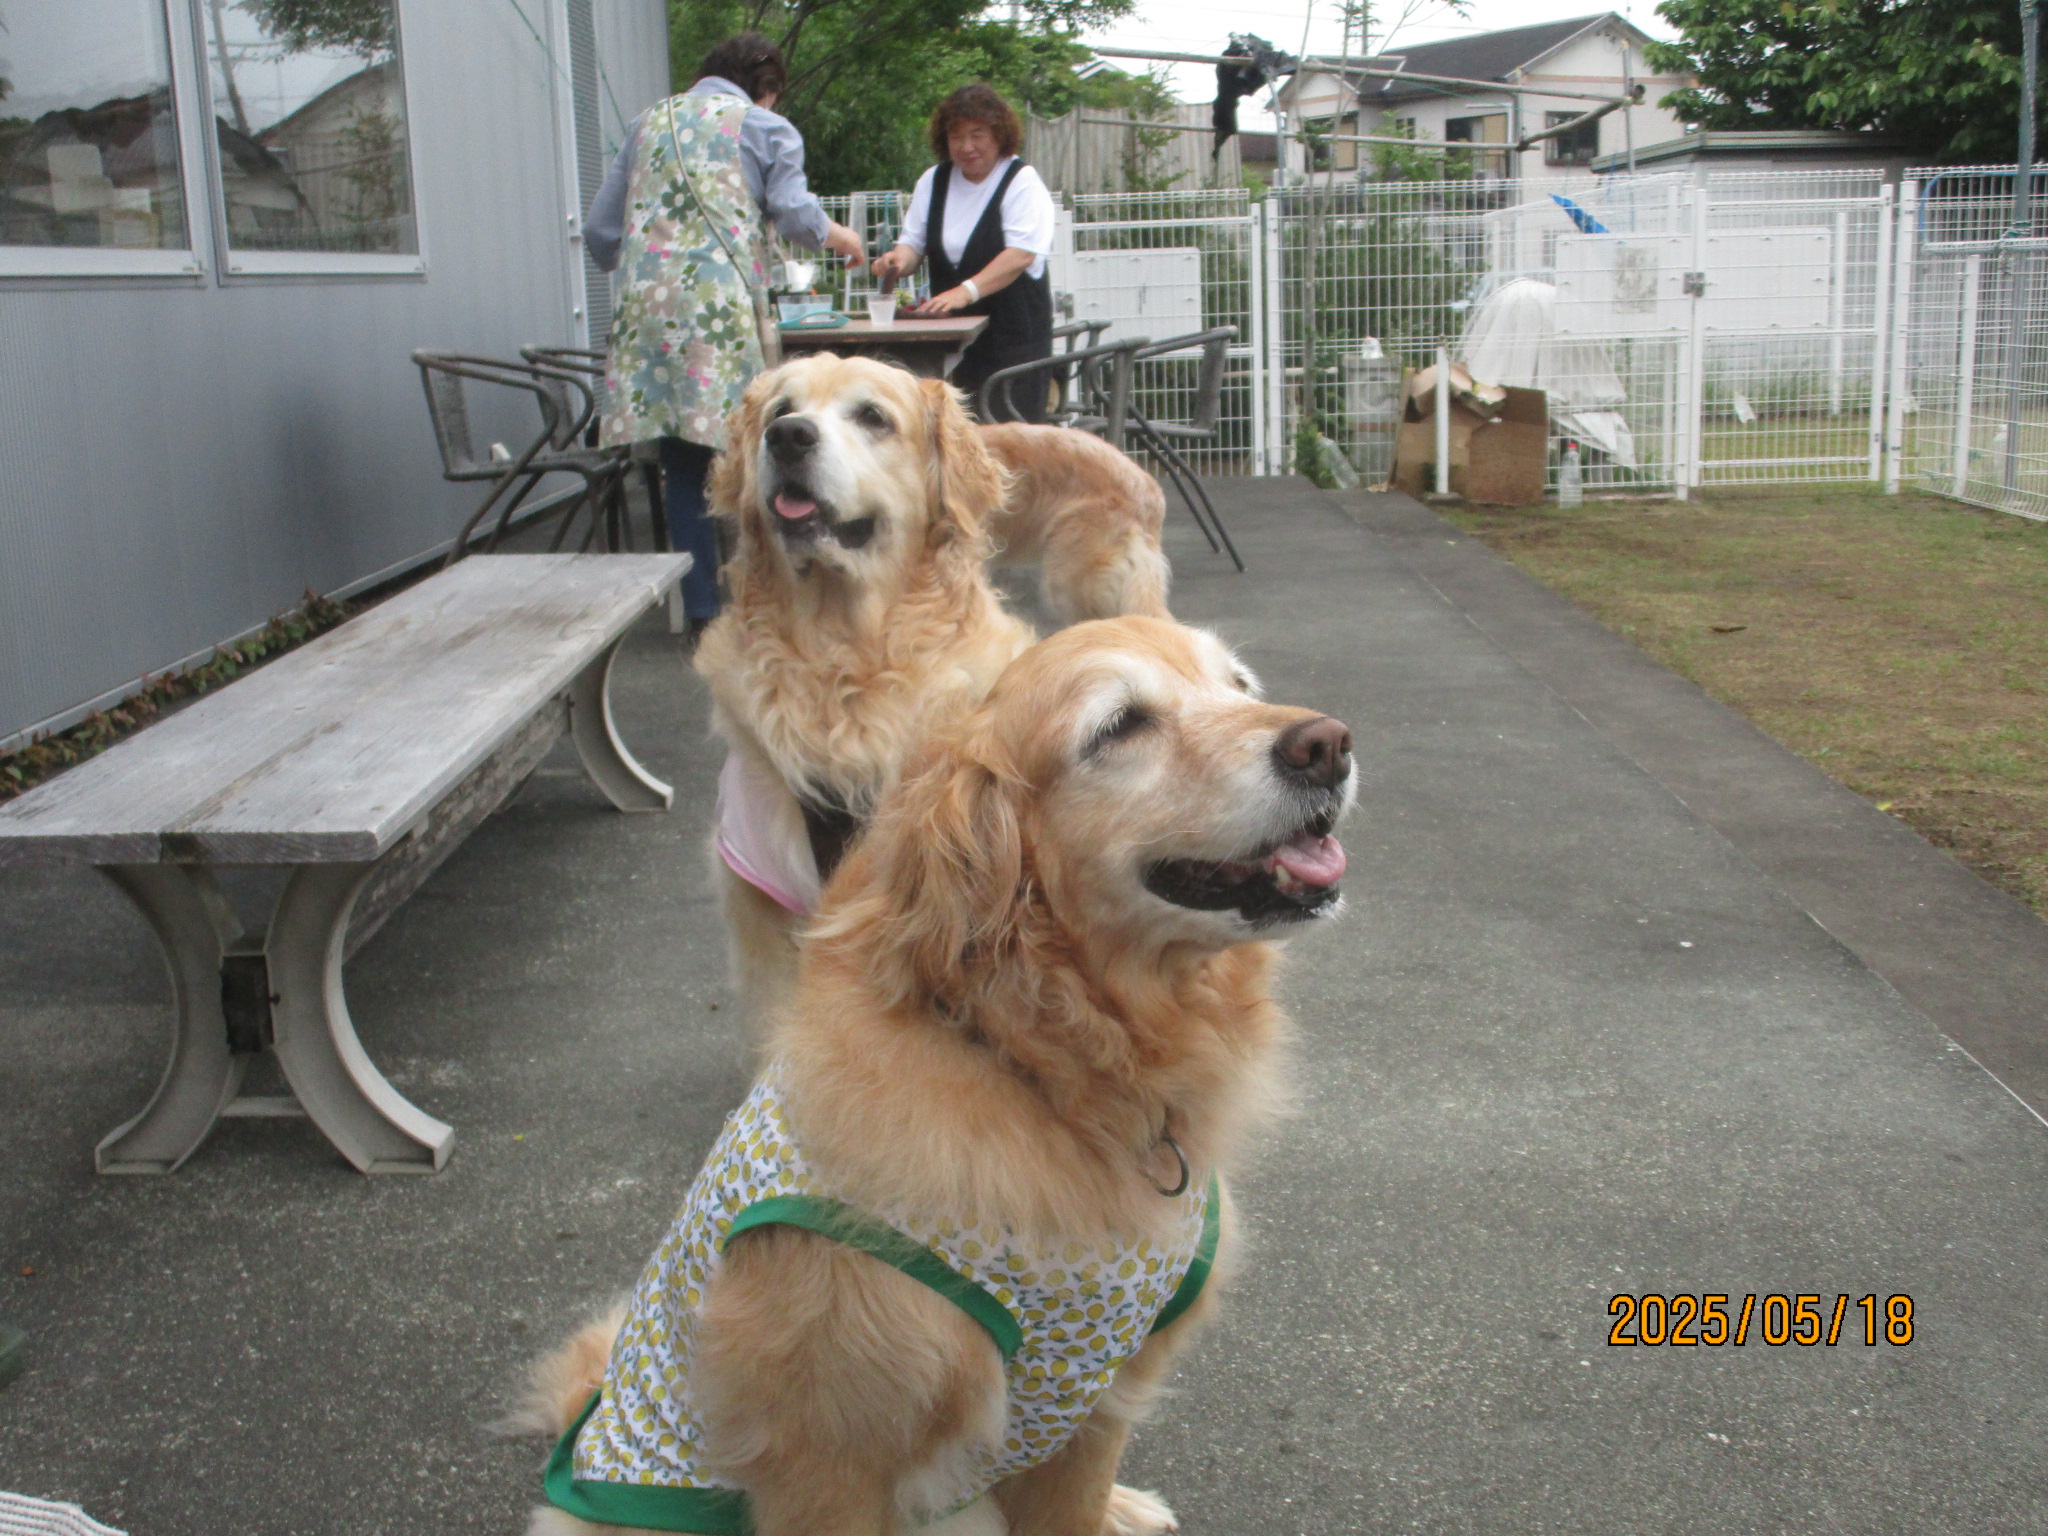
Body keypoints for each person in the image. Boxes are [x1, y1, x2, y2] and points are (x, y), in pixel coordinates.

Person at [583, 34, 863, 638]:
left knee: (684, 464)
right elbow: (794, 213)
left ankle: (702, 611)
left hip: (645, 317)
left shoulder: (644, 125)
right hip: (721, 312)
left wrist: (651, 259)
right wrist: (842, 238)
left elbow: (601, 233)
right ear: (766, 87)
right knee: (754, 450)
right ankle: (768, 598)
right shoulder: (764, 126)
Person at [870, 84, 1056, 422]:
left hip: (1013, 347)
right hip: (951, 346)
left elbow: (1021, 255)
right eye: (956, 137)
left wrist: (964, 291)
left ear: (999, 134)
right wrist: (896, 260)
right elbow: (913, 244)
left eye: (977, 135)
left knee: (1008, 440)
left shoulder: (1022, 181)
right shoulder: (933, 181)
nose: (967, 146)